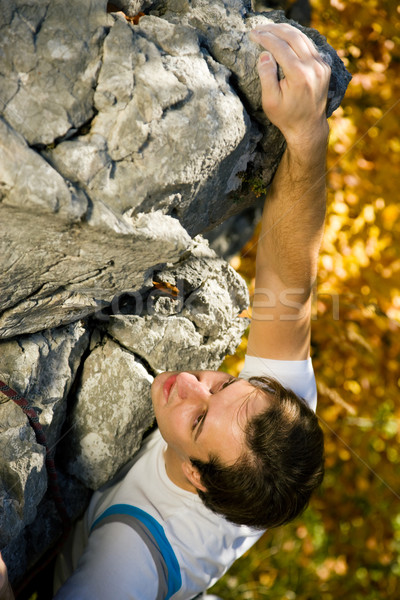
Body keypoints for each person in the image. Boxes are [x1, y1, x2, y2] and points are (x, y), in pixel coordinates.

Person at [0, 22, 331, 600]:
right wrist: (308, 134)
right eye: (222, 382)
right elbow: (290, 285)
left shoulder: (130, 560)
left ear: (198, 477)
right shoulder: (268, 432)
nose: (189, 387)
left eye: (198, 420)